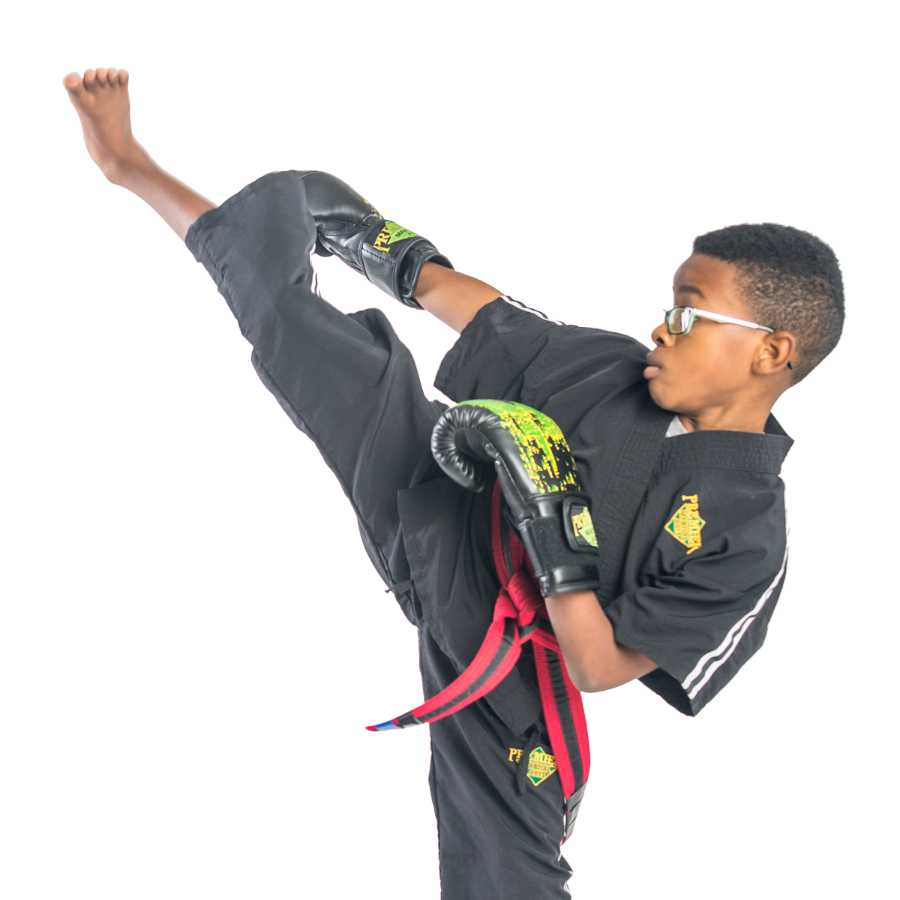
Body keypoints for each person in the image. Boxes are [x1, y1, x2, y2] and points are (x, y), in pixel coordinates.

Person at [63, 67, 844, 899]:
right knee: (297, 325)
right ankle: (130, 166)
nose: (662, 327)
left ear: (772, 352)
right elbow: (480, 310)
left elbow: (597, 666)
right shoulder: (616, 369)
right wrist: (378, 243)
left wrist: (554, 523)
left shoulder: (748, 535)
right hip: (438, 497)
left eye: (688, 312)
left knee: (503, 878)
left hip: (511, 667)